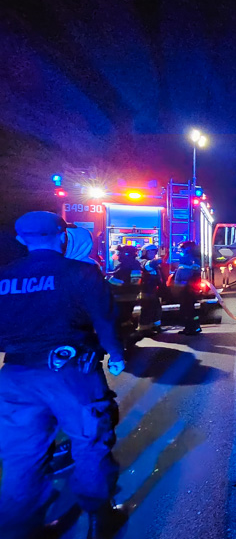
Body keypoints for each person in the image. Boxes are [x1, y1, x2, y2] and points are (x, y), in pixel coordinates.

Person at [0, 211, 126, 539]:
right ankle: (99, 520)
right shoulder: (81, 273)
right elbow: (105, 319)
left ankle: (19, 529)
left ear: (20, 239)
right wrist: (116, 354)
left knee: (21, 454)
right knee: (89, 442)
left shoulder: (3, 277)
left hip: (15, 376)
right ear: (63, 234)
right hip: (72, 375)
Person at [108, 245, 143, 344]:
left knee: (122, 317)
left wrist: (108, 281)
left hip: (123, 296)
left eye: (120, 253)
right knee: (126, 317)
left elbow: (124, 283)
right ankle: (128, 336)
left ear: (126, 254)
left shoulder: (127, 265)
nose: (118, 255)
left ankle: (125, 337)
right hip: (128, 296)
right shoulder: (133, 264)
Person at [173, 241, 202, 335]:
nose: (181, 250)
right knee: (186, 308)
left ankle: (193, 328)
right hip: (184, 287)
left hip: (188, 288)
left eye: (182, 248)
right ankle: (189, 328)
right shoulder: (187, 257)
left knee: (188, 309)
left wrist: (187, 283)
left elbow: (194, 272)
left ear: (188, 248)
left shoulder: (192, 258)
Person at [137, 244, 164, 335]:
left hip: (154, 291)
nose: (153, 253)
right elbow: (147, 266)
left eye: (154, 251)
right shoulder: (142, 261)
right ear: (144, 252)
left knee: (156, 309)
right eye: (151, 251)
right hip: (145, 291)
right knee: (146, 310)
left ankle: (156, 326)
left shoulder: (155, 264)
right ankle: (144, 329)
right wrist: (156, 261)